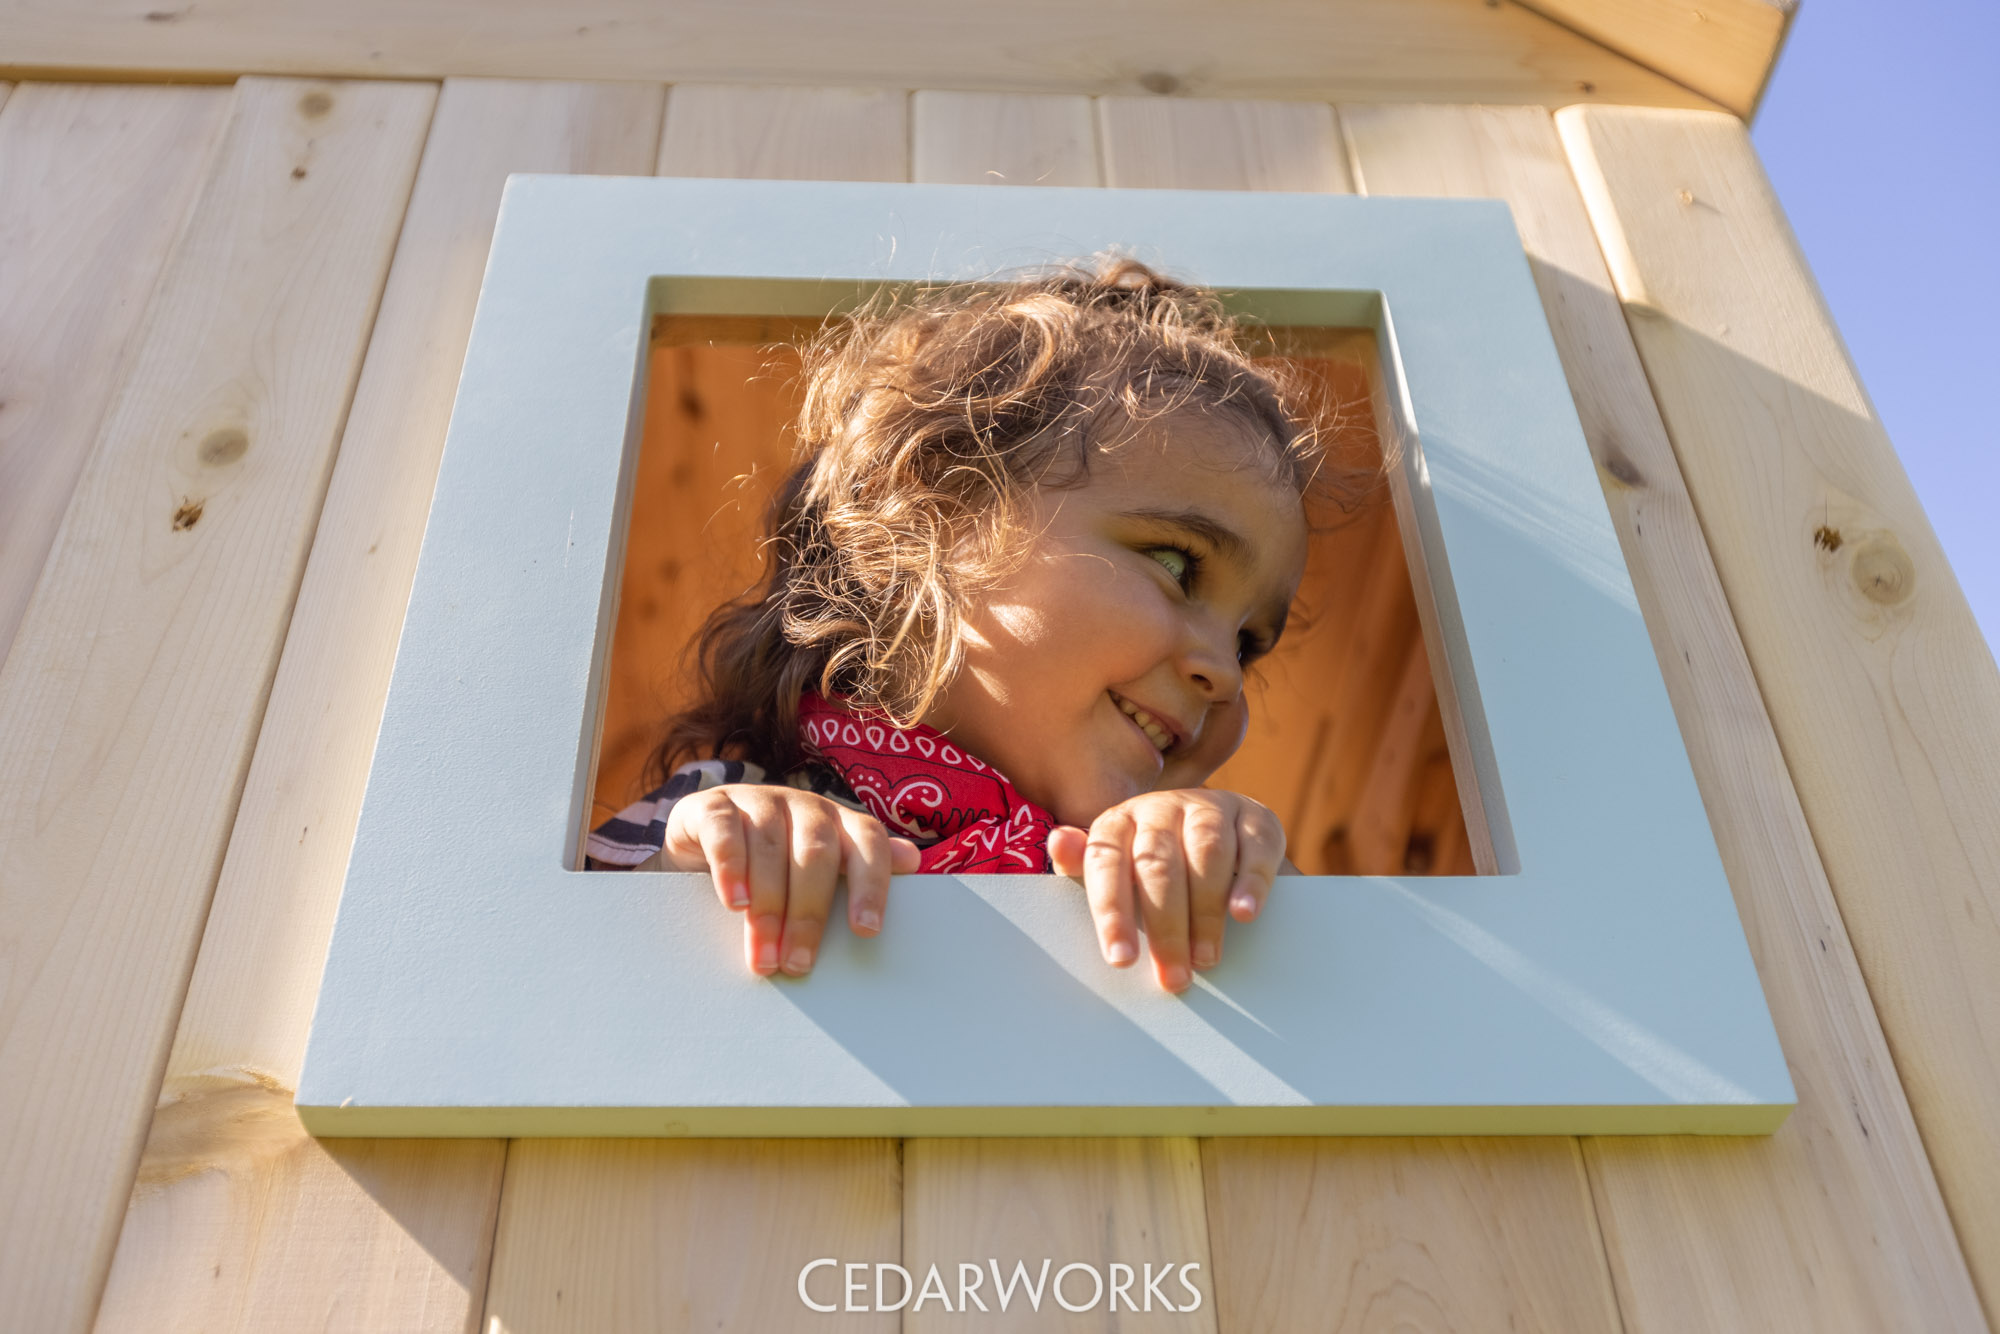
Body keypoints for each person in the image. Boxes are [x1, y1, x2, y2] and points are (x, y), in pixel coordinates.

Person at [587, 256, 1368, 992]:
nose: (1224, 673)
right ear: (936, 517)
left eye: (1248, 643)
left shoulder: (1153, 884)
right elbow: (557, 985)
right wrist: (703, 873)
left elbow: (1329, 1022)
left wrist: (1239, 884)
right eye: (1176, 563)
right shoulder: (735, 809)